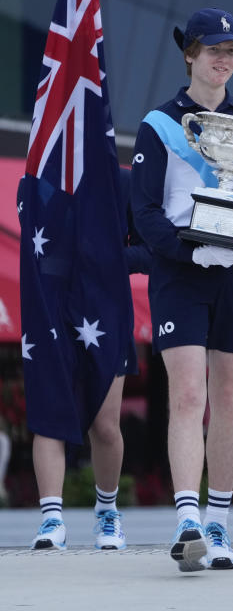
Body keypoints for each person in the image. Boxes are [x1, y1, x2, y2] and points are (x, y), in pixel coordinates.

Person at [131, 8, 233, 571]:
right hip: (181, 269)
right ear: (190, 55)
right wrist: (185, 249)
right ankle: (188, 520)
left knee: (228, 395)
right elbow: (144, 210)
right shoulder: (159, 123)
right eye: (214, 50)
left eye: (232, 53)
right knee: (188, 396)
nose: (224, 60)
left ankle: (220, 524)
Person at [28, 168, 147, 551]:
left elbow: (148, 251)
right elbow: (35, 246)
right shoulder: (37, 177)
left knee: (105, 425)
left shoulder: (124, 181)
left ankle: (107, 513)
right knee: (50, 419)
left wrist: (99, 257)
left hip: (106, 316)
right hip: (52, 313)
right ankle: (51, 519)